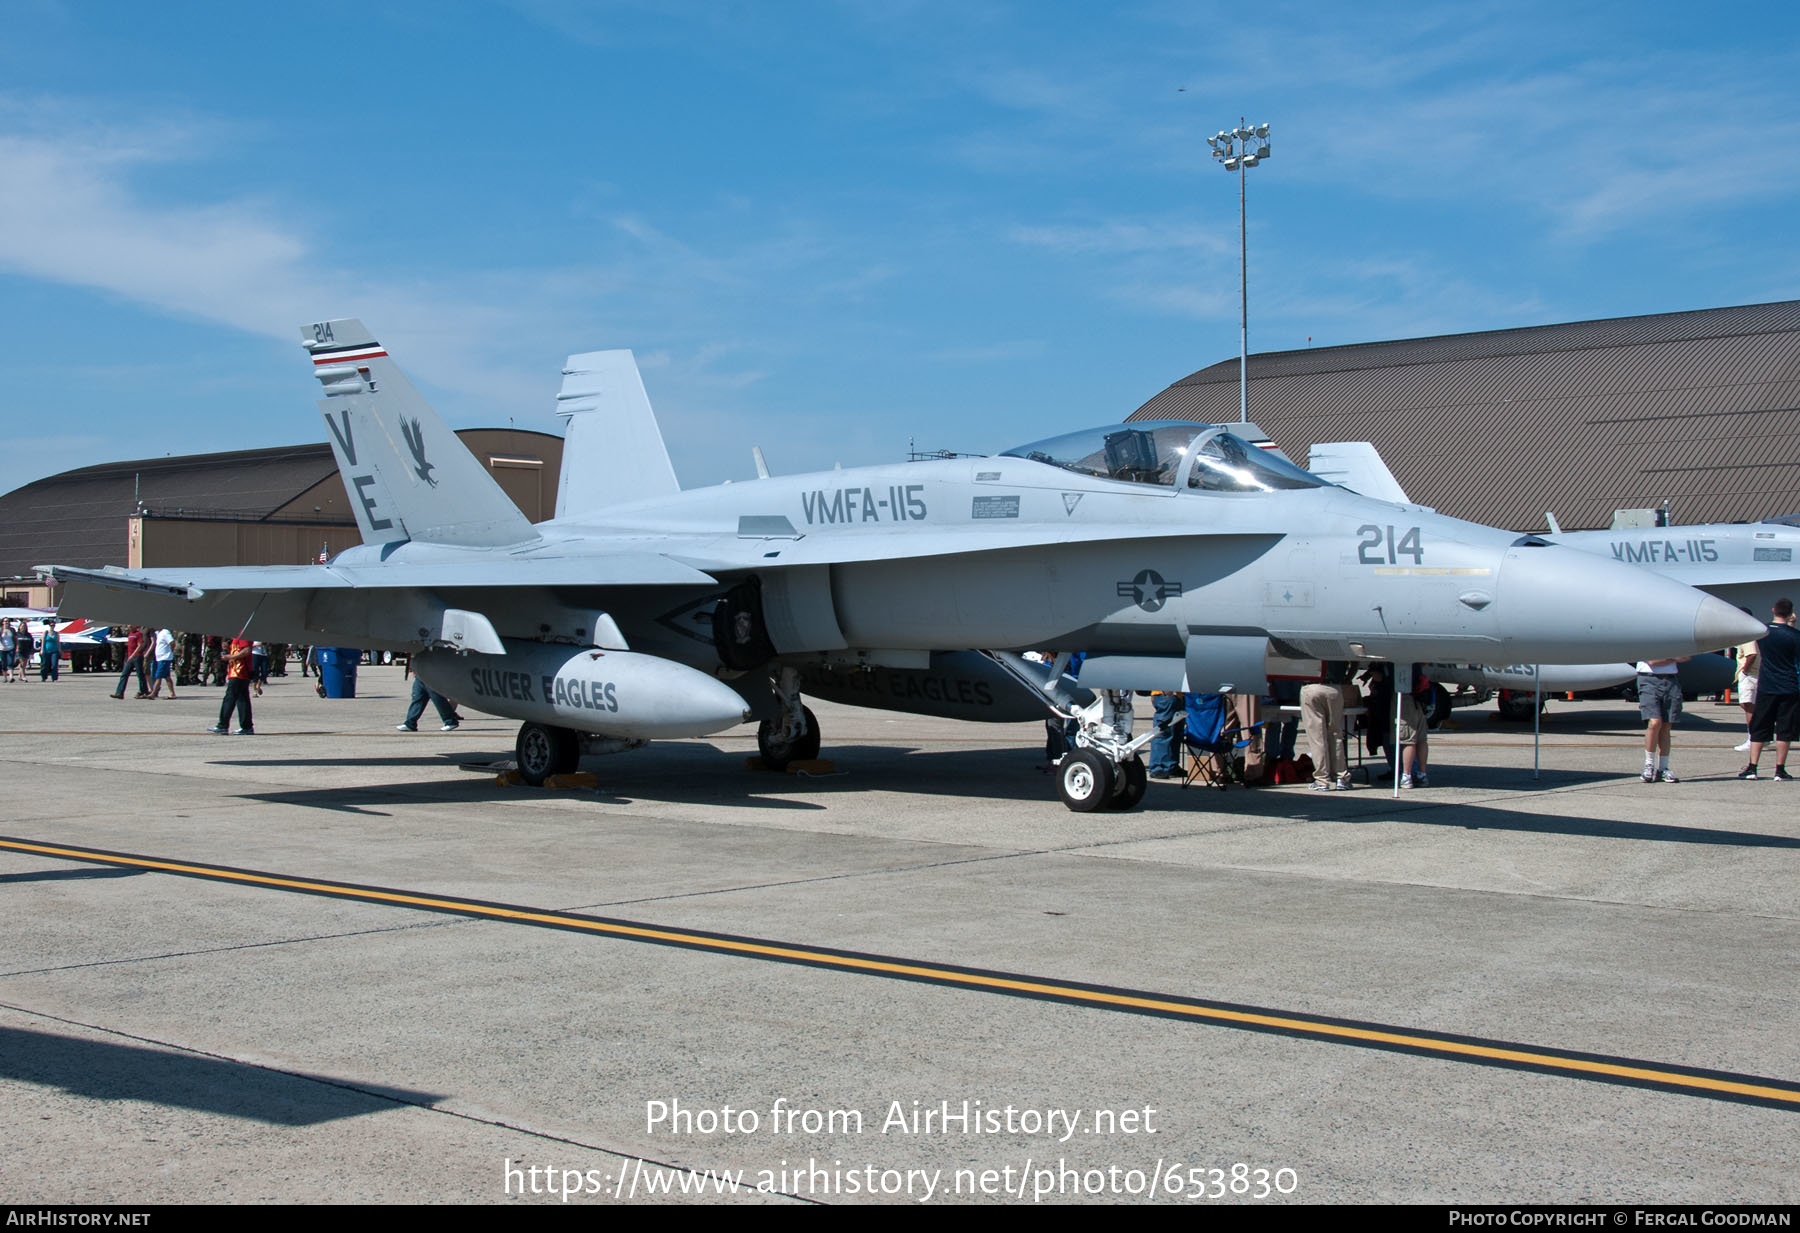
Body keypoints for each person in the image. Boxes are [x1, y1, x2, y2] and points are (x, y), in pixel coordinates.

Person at [1737, 598, 1799, 781]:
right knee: (1784, 729)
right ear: (1790, 613)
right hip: (1789, 685)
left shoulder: (1764, 632)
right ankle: (1780, 769)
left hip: (1767, 685)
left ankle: (1753, 767)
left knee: (1759, 727)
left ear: (1773, 610)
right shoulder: (1795, 636)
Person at [1636, 654, 1687, 783]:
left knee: (1666, 725)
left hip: (1671, 680)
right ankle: (1649, 765)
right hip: (1648, 679)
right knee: (1654, 722)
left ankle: (1663, 768)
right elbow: (1653, 661)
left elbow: (1687, 657)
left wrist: (1668, 659)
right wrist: (1674, 658)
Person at [1301, 661, 1352, 791]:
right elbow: (1354, 662)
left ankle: (1322, 779)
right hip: (1334, 687)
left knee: (1317, 737)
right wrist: (1347, 678)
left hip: (1311, 686)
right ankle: (1341, 775)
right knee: (1336, 733)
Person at [208, 638, 255, 735]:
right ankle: (247, 726)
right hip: (236, 672)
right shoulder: (236, 637)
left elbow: (247, 650)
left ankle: (223, 725)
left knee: (230, 698)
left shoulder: (243, 635)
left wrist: (231, 657)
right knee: (242, 699)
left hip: (239, 672)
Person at [398, 675, 462, 732]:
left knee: (437, 699)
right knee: (417, 698)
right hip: (420, 675)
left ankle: (450, 721)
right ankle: (410, 723)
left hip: (431, 674)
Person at [1735, 614, 1760, 752]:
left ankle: (1753, 738)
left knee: (1748, 707)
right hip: (1752, 675)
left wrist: (1744, 671)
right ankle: (1758, 736)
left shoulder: (1747, 636)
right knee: (1748, 706)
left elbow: (1752, 654)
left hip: (1749, 676)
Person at [1148, 690, 1185, 779]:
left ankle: (1171, 766)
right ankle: (1157, 767)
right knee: (1163, 732)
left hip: (1177, 695)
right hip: (1165, 694)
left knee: (1176, 733)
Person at [112, 626, 150, 698]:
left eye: (130, 626)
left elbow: (140, 646)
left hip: (137, 657)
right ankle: (119, 692)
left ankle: (144, 691)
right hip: (129, 657)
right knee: (124, 674)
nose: (129, 627)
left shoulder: (138, 634)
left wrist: (133, 655)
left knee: (140, 674)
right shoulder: (130, 634)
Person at [147, 627, 178, 698]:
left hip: (164, 658)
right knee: (167, 677)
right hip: (160, 658)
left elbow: (172, 642)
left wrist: (171, 651)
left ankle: (153, 693)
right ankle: (172, 694)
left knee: (158, 676)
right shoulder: (158, 633)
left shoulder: (165, 632)